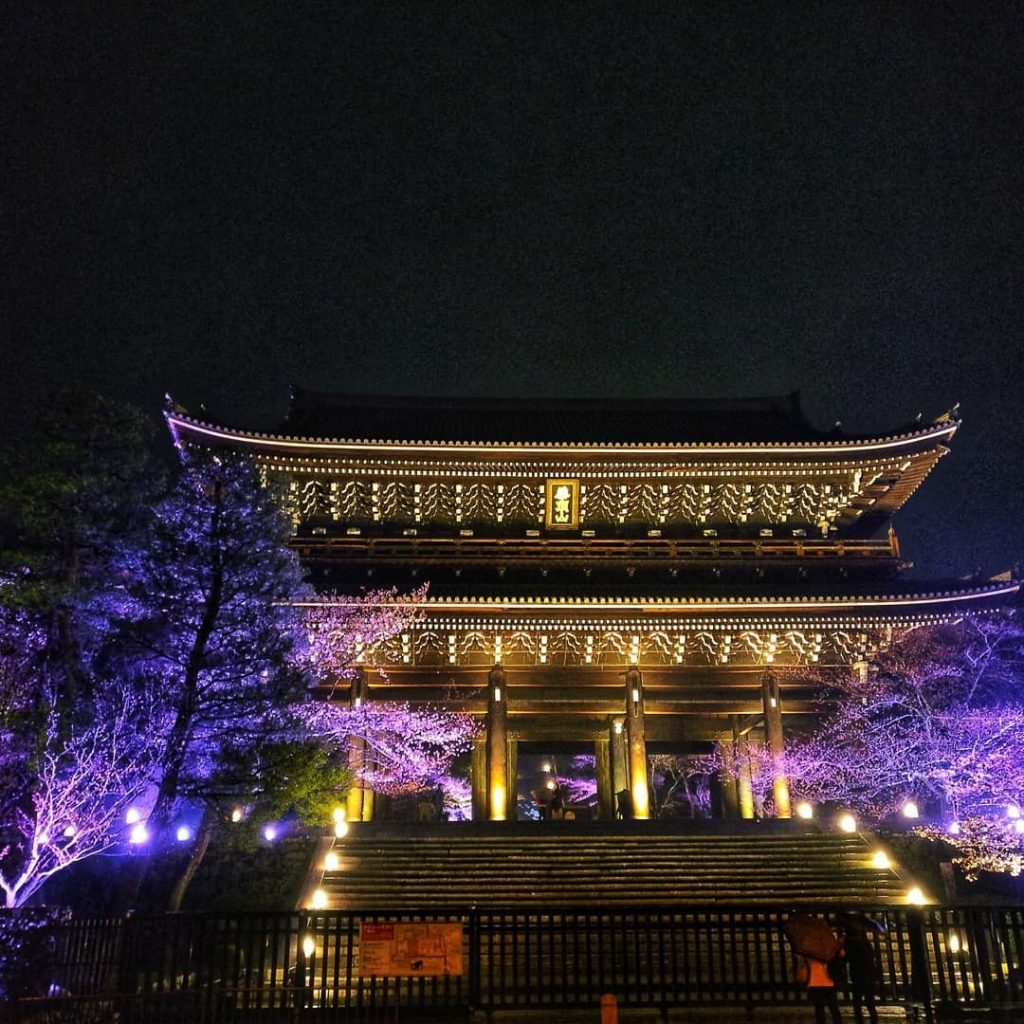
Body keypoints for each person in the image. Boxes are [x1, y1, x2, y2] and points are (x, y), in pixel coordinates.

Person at [843, 922, 880, 1024]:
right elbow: (872, 956)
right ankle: (873, 1020)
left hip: (857, 974)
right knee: (870, 1002)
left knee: (857, 1002)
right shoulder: (865, 942)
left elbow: (846, 958)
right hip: (868, 974)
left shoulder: (849, 942)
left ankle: (859, 1020)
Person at [796, 950, 843, 1024]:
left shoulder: (807, 949)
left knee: (819, 1009)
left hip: (814, 982)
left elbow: (803, 965)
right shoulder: (827, 948)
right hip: (828, 981)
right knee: (834, 1008)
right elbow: (842, 954)